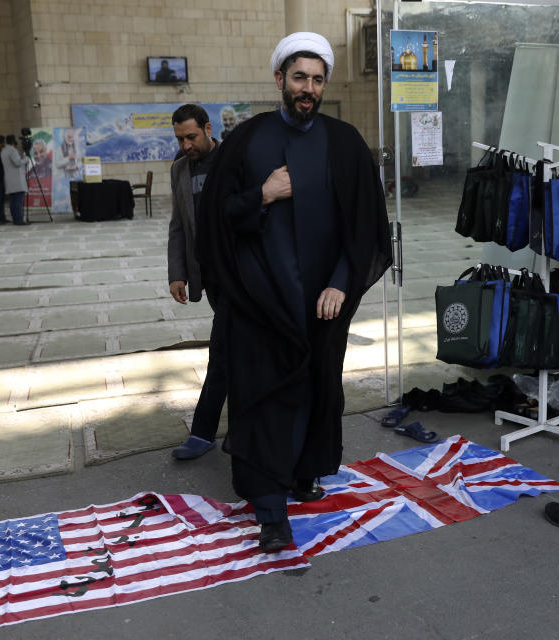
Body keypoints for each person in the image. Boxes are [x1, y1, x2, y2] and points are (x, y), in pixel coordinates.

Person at [198, 32, 392, 552]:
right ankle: (269, 509)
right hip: (259, 302)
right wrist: (263, 194)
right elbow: (215, 218)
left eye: (317, 79)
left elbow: (367, 225)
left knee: (315, 389)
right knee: (262, 398)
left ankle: (303, 471)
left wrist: (341, 282)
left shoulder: (344, 142)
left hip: (322, 302)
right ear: (279, 79)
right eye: (299, 77)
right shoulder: (245, 142)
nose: (308, 88)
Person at [167, 104, 225, 461]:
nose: (186, 145)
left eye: (191, 136)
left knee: (224, 351)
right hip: (210, 276)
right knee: (231, 352)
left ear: (207, 129)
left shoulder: (232, 160)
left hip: (244, 276)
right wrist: (177, 273)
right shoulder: (178, 169)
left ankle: (204, 432)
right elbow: (177, 225)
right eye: (179, 138)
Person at [1, 134, 29, 225]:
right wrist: (26, 159)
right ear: (14, 142)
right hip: (16, 179)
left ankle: (15, 218)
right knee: (18, 201)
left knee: (13, 200)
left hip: (9, 178)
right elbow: (17, 163)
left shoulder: (4, 150)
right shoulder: (12, 150)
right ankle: (19, 220)